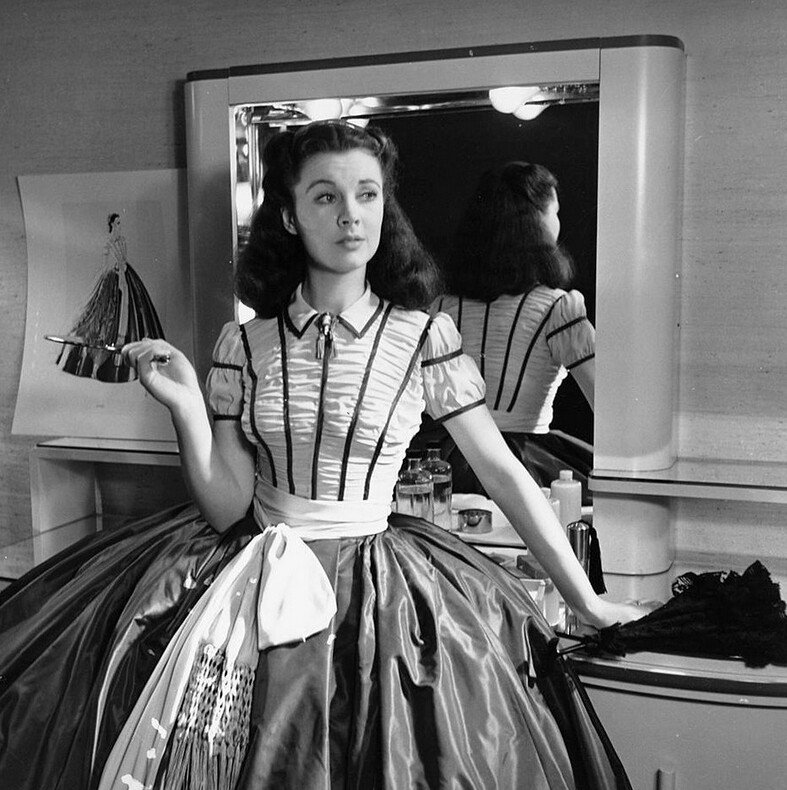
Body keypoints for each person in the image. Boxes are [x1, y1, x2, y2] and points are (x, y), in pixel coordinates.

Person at [0, 121, 644, 789]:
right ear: (289, 216)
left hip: (381, 593)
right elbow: (227, 506)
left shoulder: (423, 335)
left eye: (367, 194)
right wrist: (186, 407)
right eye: (326, 197)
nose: (350, 216)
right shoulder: (244, 344)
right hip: (251, 572)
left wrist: (588, 603)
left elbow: (504, 474)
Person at [420, 161, 597, 501]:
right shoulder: (558, 308)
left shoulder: (440, 308)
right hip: (526, 463)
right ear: (537, 222)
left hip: (445, 461)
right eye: (555, 212)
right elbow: (607, 405)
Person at [57, 211, 166, 382]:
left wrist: (123, 271)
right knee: (102, 316)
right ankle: (97, 362)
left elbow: (123, 259)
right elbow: (105, 265)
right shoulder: (108, 242)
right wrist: (114, 274)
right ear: (112, 224)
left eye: (120, 223)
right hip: (111, 279)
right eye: (118, 223)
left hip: (125, 274)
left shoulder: (121, 240)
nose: (120, 226)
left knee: (129, 311)